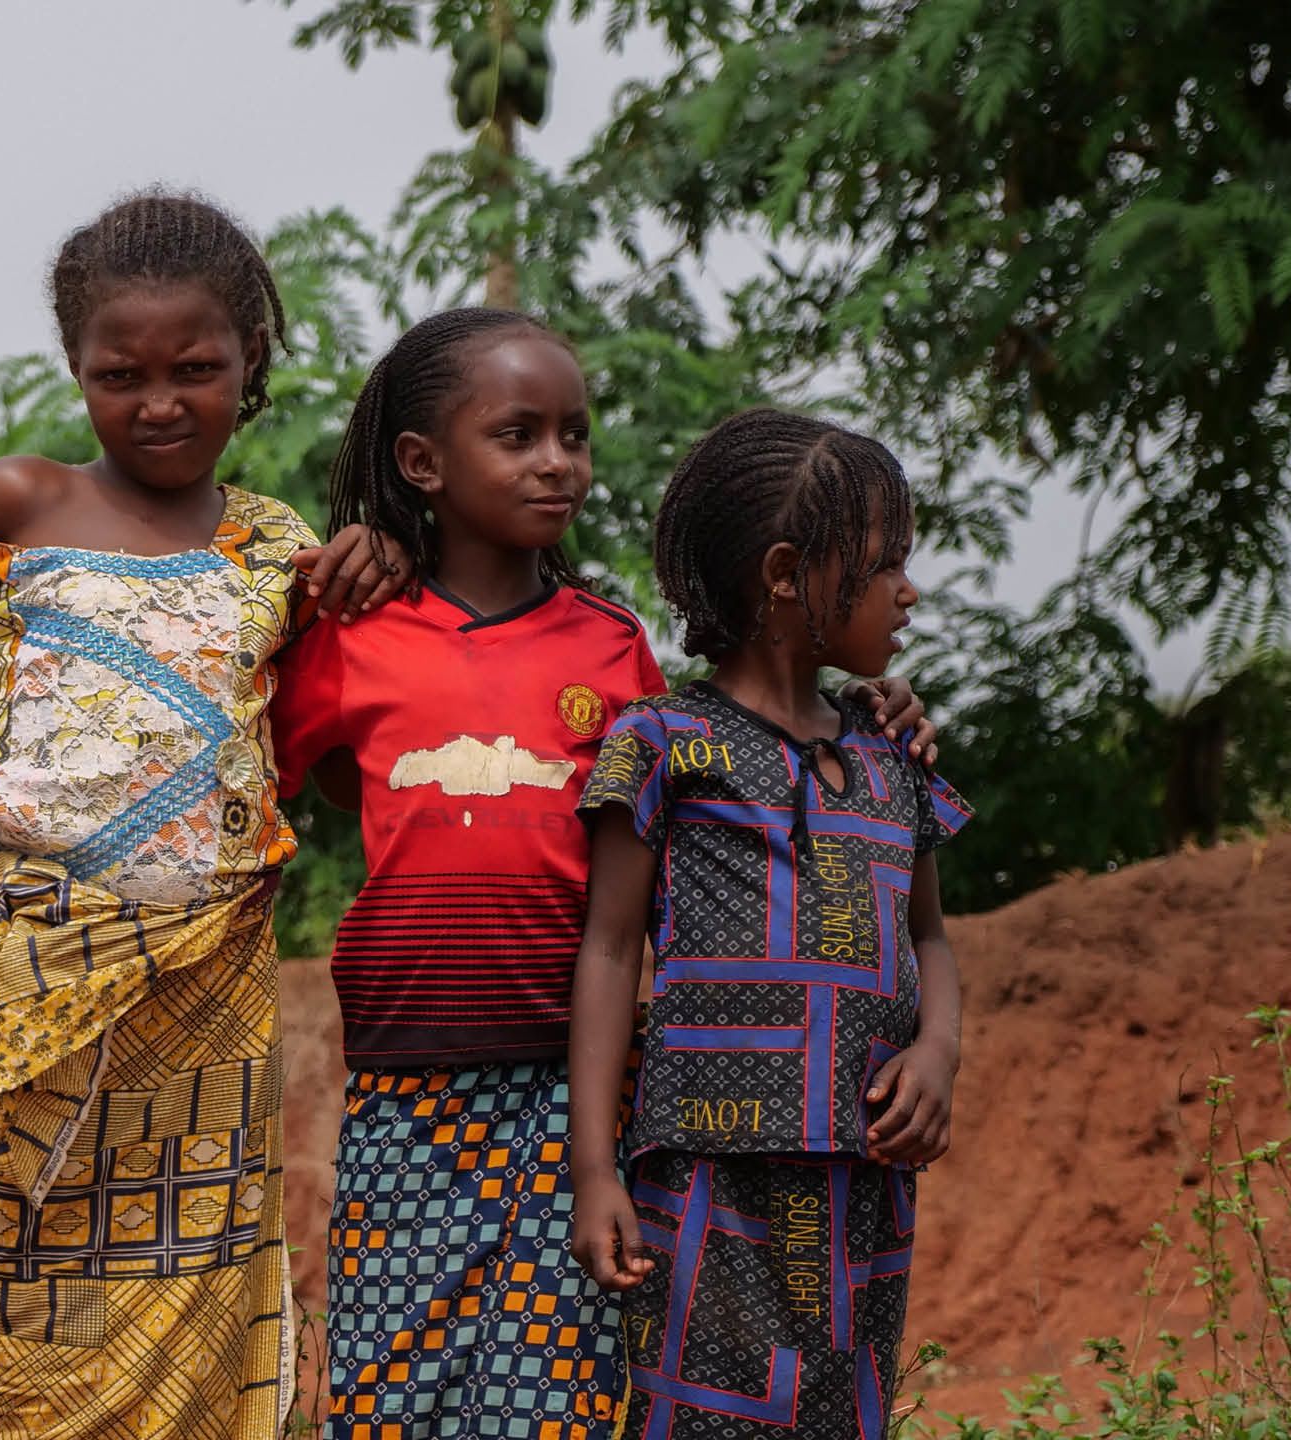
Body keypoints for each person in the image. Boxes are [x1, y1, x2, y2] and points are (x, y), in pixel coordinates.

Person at [273, 312, 941, 1440]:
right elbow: (301, 784)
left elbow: (708, 771)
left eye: (572, 436)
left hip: (576, 1085)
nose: (556, 462)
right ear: (421, 465)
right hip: (404, 1077)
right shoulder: (355, 632)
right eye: (518, 435)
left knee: (560, 1399)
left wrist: (874, 715)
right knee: (396, 1395)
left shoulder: (610, 646)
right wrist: (327, 585)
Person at [0, 188, 409, 1440]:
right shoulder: (13, 504)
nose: (157, 401)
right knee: (32, 1289)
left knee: (198, 1283)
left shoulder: (272, 544)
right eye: (117, 373)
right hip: (43, 966)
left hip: (210, 985)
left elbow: (332, 715)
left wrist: (377, 569)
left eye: (197, 369)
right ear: (73, 370)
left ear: (251, 368)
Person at [567, 409, 968, 1440]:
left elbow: (929, 936)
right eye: (884, 566)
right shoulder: (664, 740)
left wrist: (937, 1049)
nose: (908, 593)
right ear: (788, 575)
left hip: (865, 1172)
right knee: (700, 1418)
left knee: (845, 1413)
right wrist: (595, 1172)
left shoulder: (891, 754)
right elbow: (609, 950)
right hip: (705, 1171)